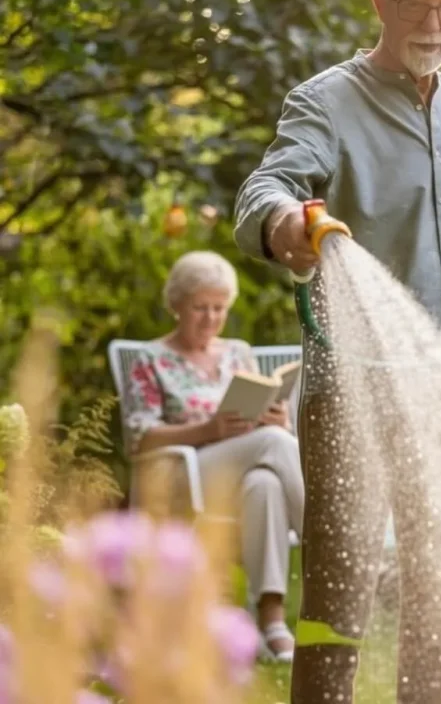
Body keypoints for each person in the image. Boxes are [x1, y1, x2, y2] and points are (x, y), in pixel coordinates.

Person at [233, 0, 441, 703]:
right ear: (381, 1)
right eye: (419, 9)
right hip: (354, 396)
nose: (436, 28)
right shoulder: (327, 101)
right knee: (340, 599)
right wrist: (288, 228)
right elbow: (264, 191)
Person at [124, 250, 304, 663]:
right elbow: (140, 437)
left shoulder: (237, 352)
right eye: (199, 308)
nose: (210, 318)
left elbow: (262, 417)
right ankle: (325, 539)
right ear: (176, 306)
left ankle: (272, 623)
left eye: (219, 309)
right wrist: (208, 430)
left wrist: (276, 418)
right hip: (182, 471)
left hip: (243, 466)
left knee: (266, 482)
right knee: (274, 446)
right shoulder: (150, 360)